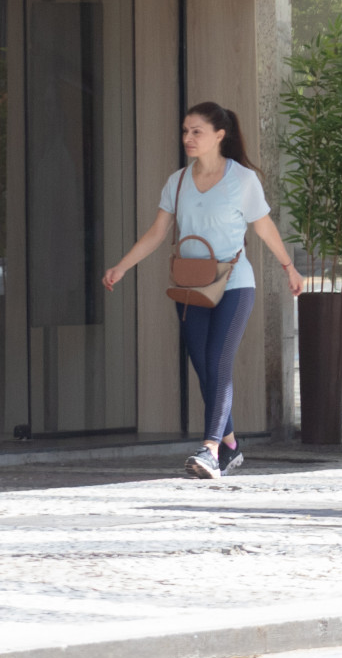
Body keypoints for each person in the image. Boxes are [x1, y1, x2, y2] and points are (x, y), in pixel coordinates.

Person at [103, 102, 303, 480]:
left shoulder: (242, 179)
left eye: (197, 131)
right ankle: (230, 444)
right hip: (191, 286)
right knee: (203, 368)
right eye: (185, 131)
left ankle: (210, 449)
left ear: (219, 135)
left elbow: (263, 227)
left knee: (218, 363)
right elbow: (158, 232)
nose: (188, 138)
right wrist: (122, 266)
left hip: (234, 282)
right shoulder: (177, 180)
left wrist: (288, 267)